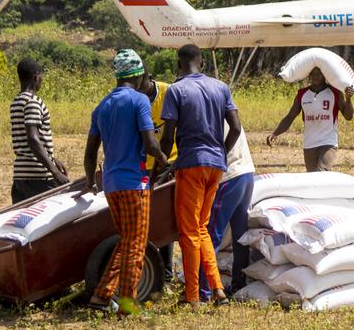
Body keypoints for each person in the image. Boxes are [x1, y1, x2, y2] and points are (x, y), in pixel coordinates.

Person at [82, 49, 166, 315]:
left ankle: (102, 295)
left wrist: (89, 180)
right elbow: (150, 143)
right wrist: (164, 160)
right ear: (139, 74)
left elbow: (90, 151)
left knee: (126, 240)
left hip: (112, 185)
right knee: (136, 245)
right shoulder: (139, 101)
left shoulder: (102, 106)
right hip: (134, 184)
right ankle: (128, 305)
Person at [160, 44, 241, 307]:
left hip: (191, 165)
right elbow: (236, 128)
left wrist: (161, 166)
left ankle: (193, 296)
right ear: (202, 62)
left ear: (179, 64)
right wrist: (220, 153)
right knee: (202, 228)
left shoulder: (176, 90)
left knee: (188, 232)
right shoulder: (221, 87)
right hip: (216, 166)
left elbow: (168, 136)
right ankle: (217, 289)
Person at [199, 123, 255, 301]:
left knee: (211, 234)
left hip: (229, 177)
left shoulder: (212, 112)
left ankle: (204, 290)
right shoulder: (226, 106)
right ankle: (238, 283)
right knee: (240, 235)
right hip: (246, 172)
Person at [267, 68, 354, 172]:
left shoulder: (335, 93)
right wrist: (275, 133)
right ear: (309, 76)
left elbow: (348, 116)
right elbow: (290, 116)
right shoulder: (302, 94)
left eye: (319, 74)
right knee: (312, 178)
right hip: (310, 143)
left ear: (325, 75)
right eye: (313, 74)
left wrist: (348, 99)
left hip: (328, 142)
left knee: (322, 171)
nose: (316, 76)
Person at [9, 59, 69, 203]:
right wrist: (54, 171)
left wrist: (53, 158)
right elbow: (33, 139)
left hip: (21, 175)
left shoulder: (16, 102)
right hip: (39, 176)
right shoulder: (33, 102)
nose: (41, 80)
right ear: (36, 77)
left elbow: (26, 141)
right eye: (41, 77)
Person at [138, 74, 177, 282]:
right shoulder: (136, 97)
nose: (138, 88)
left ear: (149, 78)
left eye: (141, 83)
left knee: (165, 217)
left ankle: (167, 272)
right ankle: (155, 268)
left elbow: (170, 134)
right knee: (149, 219)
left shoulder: (167, 92)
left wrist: (168, 165)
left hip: (168, 164)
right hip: (145, 167)